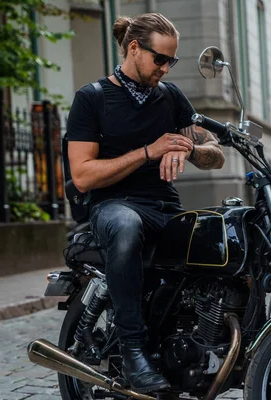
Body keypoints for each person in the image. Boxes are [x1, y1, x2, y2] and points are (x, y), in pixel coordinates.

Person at [66, 12, 225, 393]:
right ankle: (132, 351)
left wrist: (188, 146)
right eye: (161, 59)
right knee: (125, 226)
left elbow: (214, 152)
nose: (166, 69)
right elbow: (83, 175)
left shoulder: (169, 98)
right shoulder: (93, 99)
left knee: (228, 234)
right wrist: (149, 151)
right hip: (113, 207)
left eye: (173, 61)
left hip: (164, 208)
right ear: (134, 48)